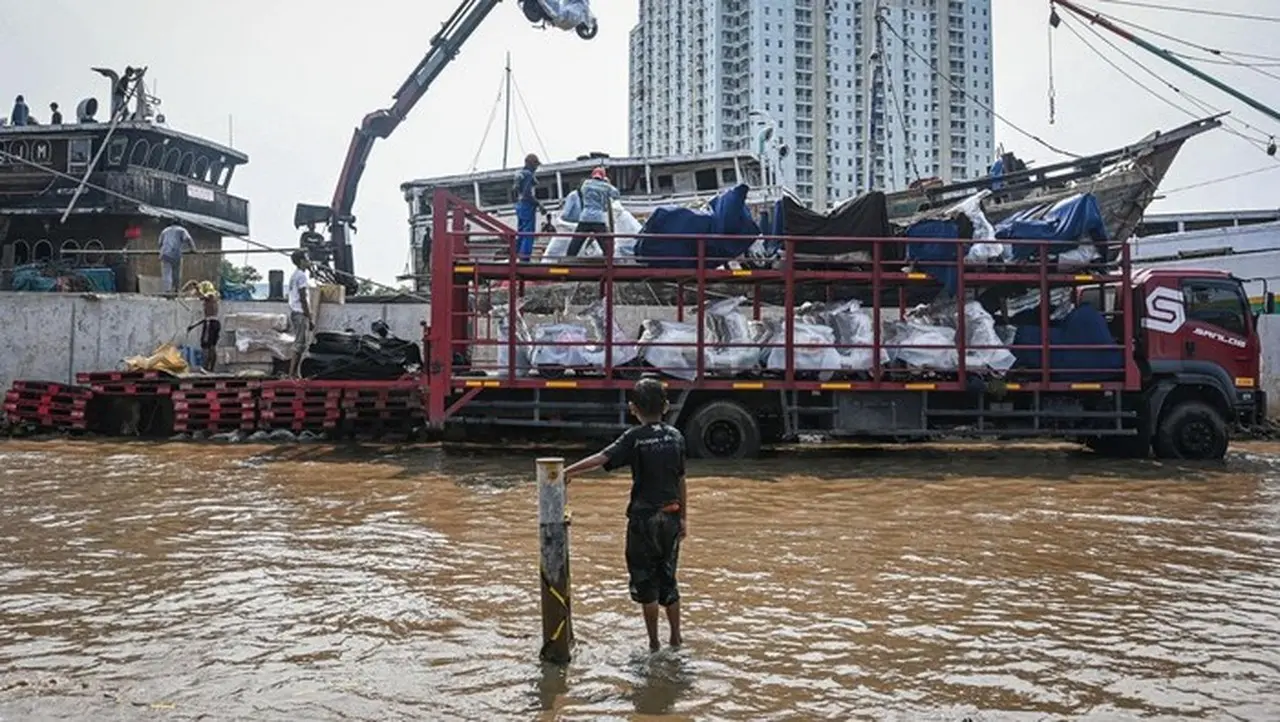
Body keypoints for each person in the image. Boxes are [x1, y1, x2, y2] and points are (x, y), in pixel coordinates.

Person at [563, 378, 687, 652]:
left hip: (644, 522)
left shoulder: (635, 438)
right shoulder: (677, 437)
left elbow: (601, 459)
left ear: (633, 408)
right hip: (672, 517)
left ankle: (654, 643)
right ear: (666, 406)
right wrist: (684, 518)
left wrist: (566, 472)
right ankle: (676, 638)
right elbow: (681, 480)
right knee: (669, 578)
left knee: (646, 583)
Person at [566, 167, 620, 258]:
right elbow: (616, 195)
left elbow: (582, 192)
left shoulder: (586, 184)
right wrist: (608, 183)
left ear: (592, 175)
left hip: (585, 217)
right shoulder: (605, 186)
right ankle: (608, 261)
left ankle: (568, 259)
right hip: (598, 218)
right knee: (606, 246)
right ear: (603, 177)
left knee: (575, 243)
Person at [511, 153, 545, 261]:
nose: (536, 168)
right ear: (531, 164)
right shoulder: (528, 174)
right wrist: (539, 204)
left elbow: (515, 192)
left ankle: (517, 256)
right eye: (535, 165)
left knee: (521, 232)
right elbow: (527, 194)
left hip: (519, 206)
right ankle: (525, 258)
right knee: (528, 233)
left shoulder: (519, 173)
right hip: (526, 206)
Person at [287, 250, 314, 379]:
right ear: (302, 261)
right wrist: (310, 317)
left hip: (295, 311)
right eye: (307, 259)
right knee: (299, 344)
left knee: (300, 343)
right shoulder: (302, 276)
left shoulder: (295, 275)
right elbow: (303, 298)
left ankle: (294, 373)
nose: (309, 261)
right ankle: (292, 373)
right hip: (300, 312)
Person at [186, 281, 221, 372]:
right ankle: (211, 369)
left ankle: (205, 367)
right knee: (212, 346)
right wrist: (194, 326)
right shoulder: (215, 297)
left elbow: (202, 297)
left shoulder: (210, 295)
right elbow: (207, 318)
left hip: (210, 323)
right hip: (215, 322)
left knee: (206, 346)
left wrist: (197, 288)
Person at [157, 222, 196, 294]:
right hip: (175, 253)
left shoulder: (165, 230)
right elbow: (188, 239)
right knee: (176, 273)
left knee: (166, 273)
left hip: (165, 254)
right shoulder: (181, 230)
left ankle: (167, 291)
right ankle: (176, 290)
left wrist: (161, 251)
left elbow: (159, 243)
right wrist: (193, 249)